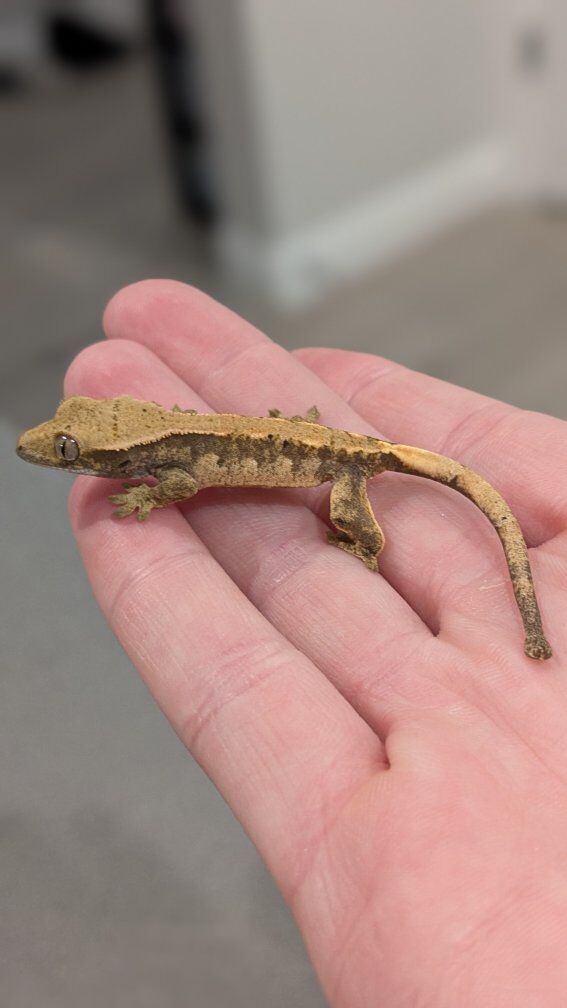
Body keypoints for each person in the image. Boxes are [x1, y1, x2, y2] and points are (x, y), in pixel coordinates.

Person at [65, 280, 567, 1006]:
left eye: (72, 448)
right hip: (309, 442)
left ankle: (375, 545)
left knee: (352, 512)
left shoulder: (170, 460)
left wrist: (148, 496)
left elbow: (178, 479)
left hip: (335, 459)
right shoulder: (171, 439)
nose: (60, 453)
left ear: (119, 454)